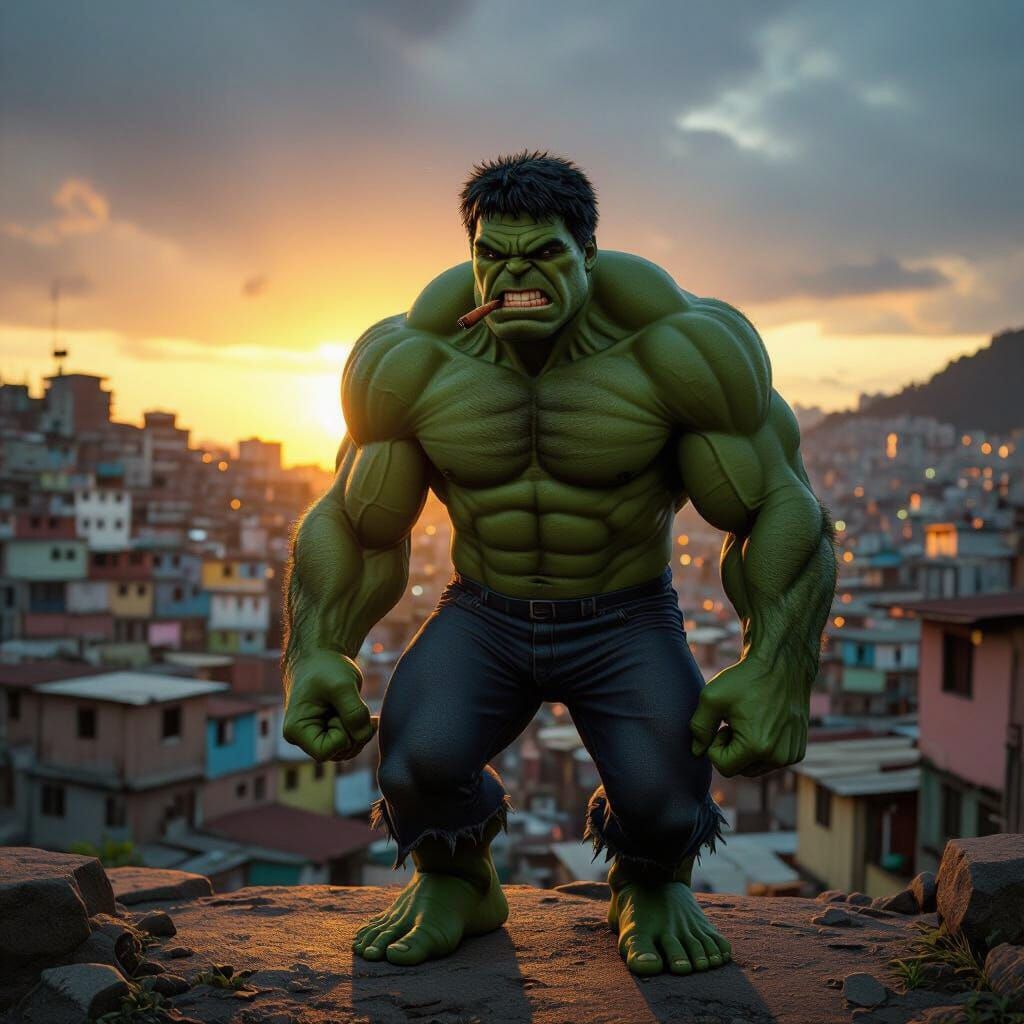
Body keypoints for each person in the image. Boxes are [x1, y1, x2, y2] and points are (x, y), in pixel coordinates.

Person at [281, 151, 836, 976]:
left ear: (588, 253)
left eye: (542, 253)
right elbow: (356, 522)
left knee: (665, 797)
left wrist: (780, 666)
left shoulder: (679, 346)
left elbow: (780, 507)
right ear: (472, 257)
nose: (515, 275)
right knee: (415, 761)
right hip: (484, 612)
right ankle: (459, 880)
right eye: (493, 256)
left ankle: (649, 885)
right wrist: (315, 650)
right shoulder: (413, 357)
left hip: (625, 616)